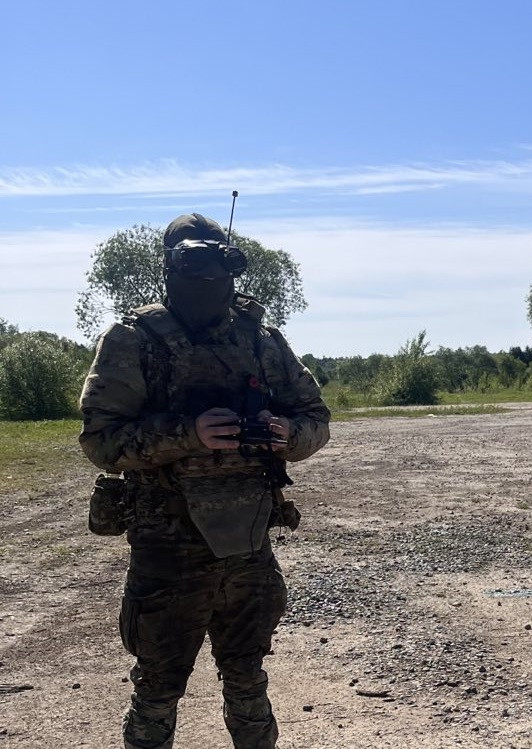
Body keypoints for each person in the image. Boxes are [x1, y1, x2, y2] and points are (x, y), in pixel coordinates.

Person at [78, 212, 331, 749]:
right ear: (170, 269)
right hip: (168, 545)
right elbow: (101, 441)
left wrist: (287, 434)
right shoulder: (133, 339)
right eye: (194, 265)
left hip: (248, 543)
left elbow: (317, 419)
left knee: (247, 680)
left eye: (217, 263)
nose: (208, 279)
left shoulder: (261, 340)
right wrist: (187, 434)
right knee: (158, 688)